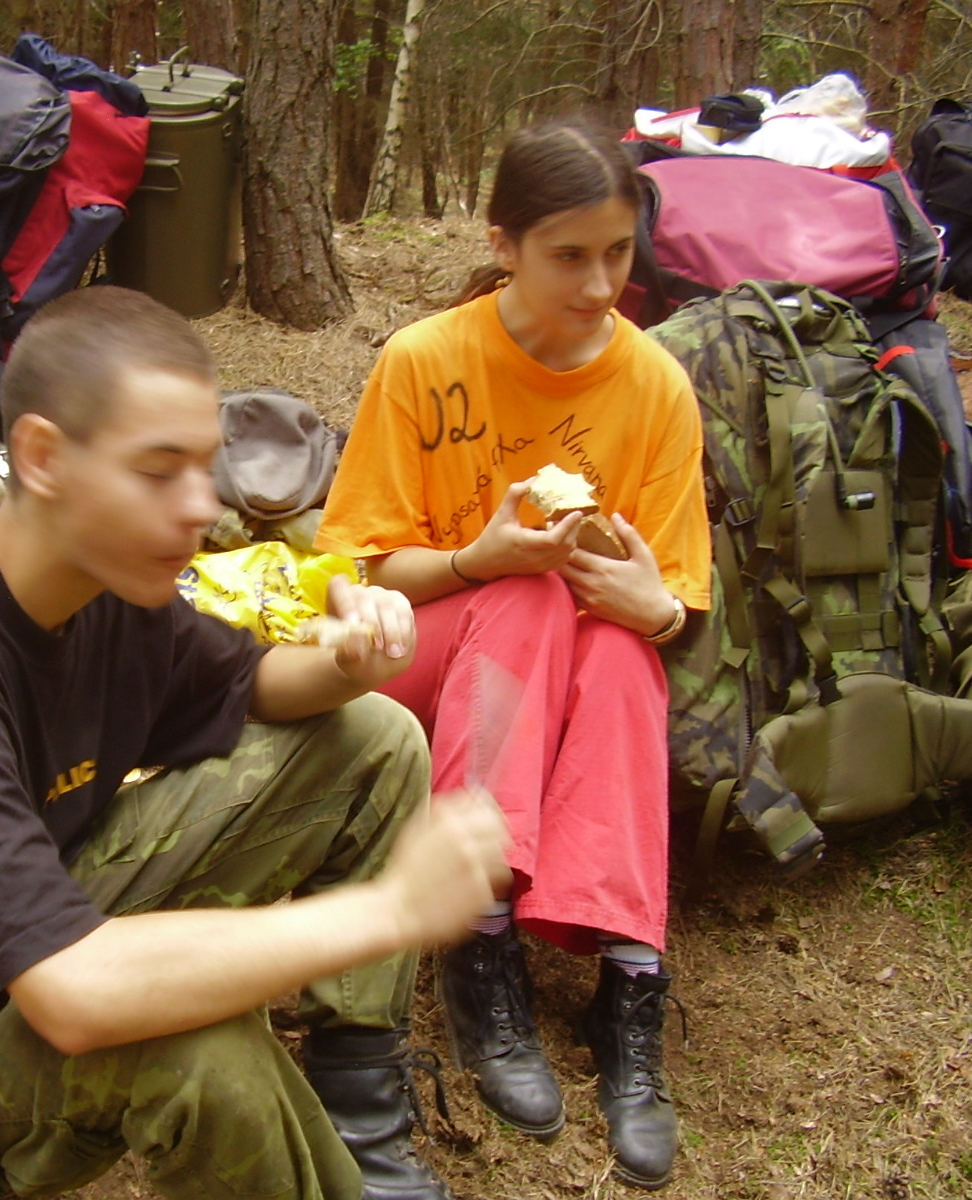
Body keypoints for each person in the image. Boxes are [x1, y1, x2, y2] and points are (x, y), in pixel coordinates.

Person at [0, 285, 511, 1200]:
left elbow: (253, 684)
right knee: (198, 1045)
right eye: (159, 471)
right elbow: (77, 998)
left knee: (374, 736)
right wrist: (392, 912)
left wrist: (353, 660)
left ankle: (361, 1112)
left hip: (43, 911)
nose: (201, 505)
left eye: (205, 465)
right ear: (42, 457)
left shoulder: (105, 584)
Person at [314, 121, 712, 1191]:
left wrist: (654, 611)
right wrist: (476, 559)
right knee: (528, 591)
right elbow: (353, 570)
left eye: (618, 254)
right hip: (419, 659)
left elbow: (680, 598)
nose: (600, 286)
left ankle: (630, 983)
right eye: (569, 256)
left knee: (626, 654)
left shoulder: (655, 386)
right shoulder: (426, 360)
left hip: (568, 679)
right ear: (505, 245)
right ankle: (479, 932)